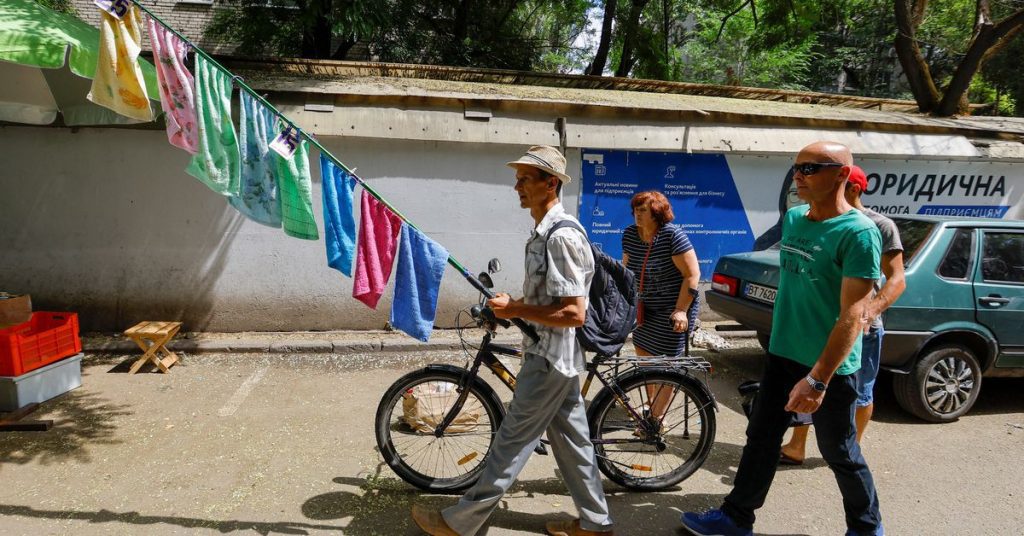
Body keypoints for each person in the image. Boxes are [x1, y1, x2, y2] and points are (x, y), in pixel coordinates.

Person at [680, 141, 885, 536]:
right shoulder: (794, 219)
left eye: (811, 168)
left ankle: (866, 528)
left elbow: (853, 314)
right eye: (796, 168)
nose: (799, 175)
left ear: (842, 175)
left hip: (829, 366)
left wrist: (818, 379)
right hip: (781, 353)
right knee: (761, 437)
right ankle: (737, 518)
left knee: (839, 450)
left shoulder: (859, 234)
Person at [410, 145, 614, 536]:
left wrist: (516, 309)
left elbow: (574, 313)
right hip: (555, 356)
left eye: (525, 179)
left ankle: (459, 523)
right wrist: (513, 308)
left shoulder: (561, 237)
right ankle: (596, 523)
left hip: (550, 359)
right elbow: (550, 302)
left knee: (510, 443)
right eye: (517, 178)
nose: (516, 186)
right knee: (574, 445)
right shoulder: (543, 232)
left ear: (550, 183)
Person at [779, 164, 906, 465]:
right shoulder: (812, 218)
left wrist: (869, 313)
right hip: (820, 325)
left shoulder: (877, 225)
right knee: (808, 382)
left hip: (861, 329)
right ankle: (797, 445)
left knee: (860, 391)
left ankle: (852, 450)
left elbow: (897, 279)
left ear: (853, 188)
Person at [621, 191, 700, 417]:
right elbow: (626, 270)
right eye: (636, 209)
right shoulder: (629, 234)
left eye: (643, 210)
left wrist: (681, 310)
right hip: (644, 307)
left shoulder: (673, 236)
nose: (637, 214)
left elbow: (692, 275)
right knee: (644, 355)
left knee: (668, 365)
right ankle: (651, 403)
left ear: (657, 213)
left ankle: (655, 419)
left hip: (673, 308)